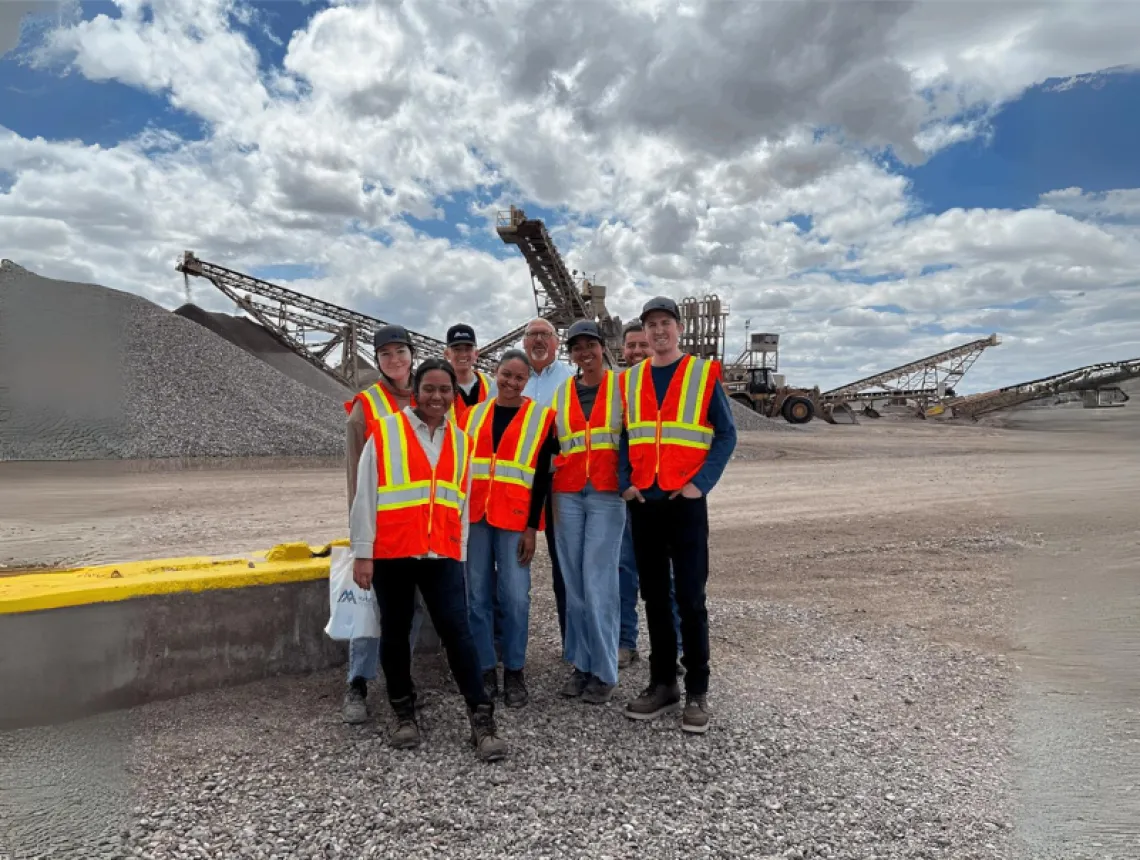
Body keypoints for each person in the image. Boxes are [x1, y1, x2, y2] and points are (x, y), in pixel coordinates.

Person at [349, 358, 507, 761]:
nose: (437, 397)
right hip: (393, 552)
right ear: (415, 391)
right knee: (396, 632)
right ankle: (403, 712)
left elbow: (462, 501)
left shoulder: (461, 441)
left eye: (445, 390)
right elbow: (365, 497)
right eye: (429, 389)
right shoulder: (384, 433)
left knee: (458, 632)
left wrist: (461, 551)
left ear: (454, 395)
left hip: (442, 553)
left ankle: (481, 717)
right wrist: (363, 554)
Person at [619, 297, 737, 734]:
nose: (658, 331)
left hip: (685, 504)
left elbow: (726, 435)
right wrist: (624, 483)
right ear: (644, 333)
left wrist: (699, 485)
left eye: (665, 323)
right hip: (644, 504)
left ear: (679, 328)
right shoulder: (629, 381)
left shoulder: (703, 374)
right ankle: (663, 683)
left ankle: (698, 691)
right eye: (651, 325)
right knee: (653, 597)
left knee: (689, 597)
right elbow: (622, 437)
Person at [464, 349, 559, 708]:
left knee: (516, 597)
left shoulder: (541, 419)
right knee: (477, 597)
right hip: (476, 519)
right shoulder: (471, 417)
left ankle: (515, 669)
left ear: (527, 382)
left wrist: (532, 527)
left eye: (519, 378)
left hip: (516, 520)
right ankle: (486, 667)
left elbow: (540, 480)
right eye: (506, 375)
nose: (511, 382)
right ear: (495, 373)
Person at [341, 324, 425, 724]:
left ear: (412, 354)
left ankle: (401, 682)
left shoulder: (430, 398)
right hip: (380, 528)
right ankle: (357, 683)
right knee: (367, 608)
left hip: (420, 528)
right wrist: (362, 540)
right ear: (377, 361)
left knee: (408, 612)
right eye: (385, 354)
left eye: (400, 352)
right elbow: (355, 479)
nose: (394, 360)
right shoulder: (366, 407)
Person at [551, 320, 626, 704]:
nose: (585, 353)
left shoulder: (622, 386)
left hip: (606, 494)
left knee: (599, 585)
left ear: (602, 348)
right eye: (577, 348)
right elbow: (552, 439)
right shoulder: (563, 392)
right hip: (567, 493)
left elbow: (635, 436)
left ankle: (604, 670)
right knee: (575, 585)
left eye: (590, 346)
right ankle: (581, 665)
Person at [616, 322, 681, 671]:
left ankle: (675, 646)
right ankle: (626, 642)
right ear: (622, 350)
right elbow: (621, 438)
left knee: (667, 575)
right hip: (630, 496)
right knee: (625, 570)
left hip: (665, 494)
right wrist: (623, 481)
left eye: (642, 344)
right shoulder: (622, 385)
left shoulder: (666, 382)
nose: (637, 351)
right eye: (631, 346)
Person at [520, 317, 574, 648]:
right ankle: (507, 645)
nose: (538, 341)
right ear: (524, 343)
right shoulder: (511, 380)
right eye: (532, 335)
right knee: (511, 561)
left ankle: (572, 640)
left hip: (557, 481)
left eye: (545, 335)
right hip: (518, 482)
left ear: (557, 343)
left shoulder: (570, 380)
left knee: (564, 562)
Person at [444, 323, 496, 425]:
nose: (463, 354)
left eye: (468, 349)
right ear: (447, 354)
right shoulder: (439, 387)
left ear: (476, 354)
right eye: (457, 349)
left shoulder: (491, 385)